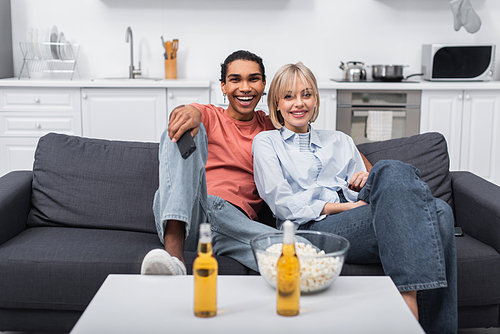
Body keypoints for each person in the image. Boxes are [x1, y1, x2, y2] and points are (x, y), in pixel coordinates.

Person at [252, 63, 457, 334]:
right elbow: (283, 203)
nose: (299, 103)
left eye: (307, 94)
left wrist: (362, 184)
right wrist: (349, 206)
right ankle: (415, 313)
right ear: (276, 104)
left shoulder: (340, 140)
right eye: (289, 96)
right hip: (312, 228)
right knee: (439, 212)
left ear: (316, 100)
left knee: (390, 170)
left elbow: (364, 190)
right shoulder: (267, 142)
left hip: (358, 211)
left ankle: (410, 310)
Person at [140, 50, 281, 275]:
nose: (245, 88)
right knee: (181, 130)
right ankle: (174, 251)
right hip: (193, 211)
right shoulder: (211, 115)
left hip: (230, 225)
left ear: (264, 84)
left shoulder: (271, 126)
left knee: (299, 255)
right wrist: (188, 113)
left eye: (253, 79)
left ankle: (174, 267)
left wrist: (358, 166)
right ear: (223, 86)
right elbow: (186, 112)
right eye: (235, 80)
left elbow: (317, 142)